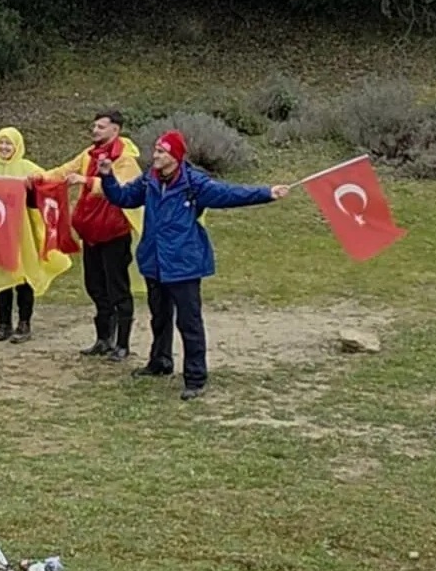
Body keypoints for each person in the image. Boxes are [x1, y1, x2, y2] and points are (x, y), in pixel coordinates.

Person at [91, 131, 290, 400]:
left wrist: (266, 192)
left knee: (189, 322)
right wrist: (107, 177)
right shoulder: (149, 180)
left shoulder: (193, 183)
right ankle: (160, 362)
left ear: (175, 156)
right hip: (154, 261)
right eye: (156, 150)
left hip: (184, 262)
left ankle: (195, 376)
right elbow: (124, 198)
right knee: (159, 318)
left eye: (161, 151)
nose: (156, 155)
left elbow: (228, 194)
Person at [43, 111, 143, 360]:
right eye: (94, 125)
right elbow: (64, 170)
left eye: (101, 126)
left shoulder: (126, 159)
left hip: (114, 233)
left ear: (115, 130)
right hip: (91, 233)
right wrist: (37, 178)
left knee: (117, 287)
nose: (95, 130)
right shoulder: (89, 154)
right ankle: (102, 338)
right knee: (95, 286)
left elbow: (122, 189)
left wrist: (86, 181)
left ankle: (122, 344)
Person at [0, 128, 71, 343]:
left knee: (24, 276)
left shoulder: (28, 168)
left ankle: (24, 323)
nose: (4, 148)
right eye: (1, 143)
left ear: (17, 146)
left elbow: (48, 186)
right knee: (2, 275)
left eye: (9, 144)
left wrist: (32, 186)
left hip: (24, 234)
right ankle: (3, 323)